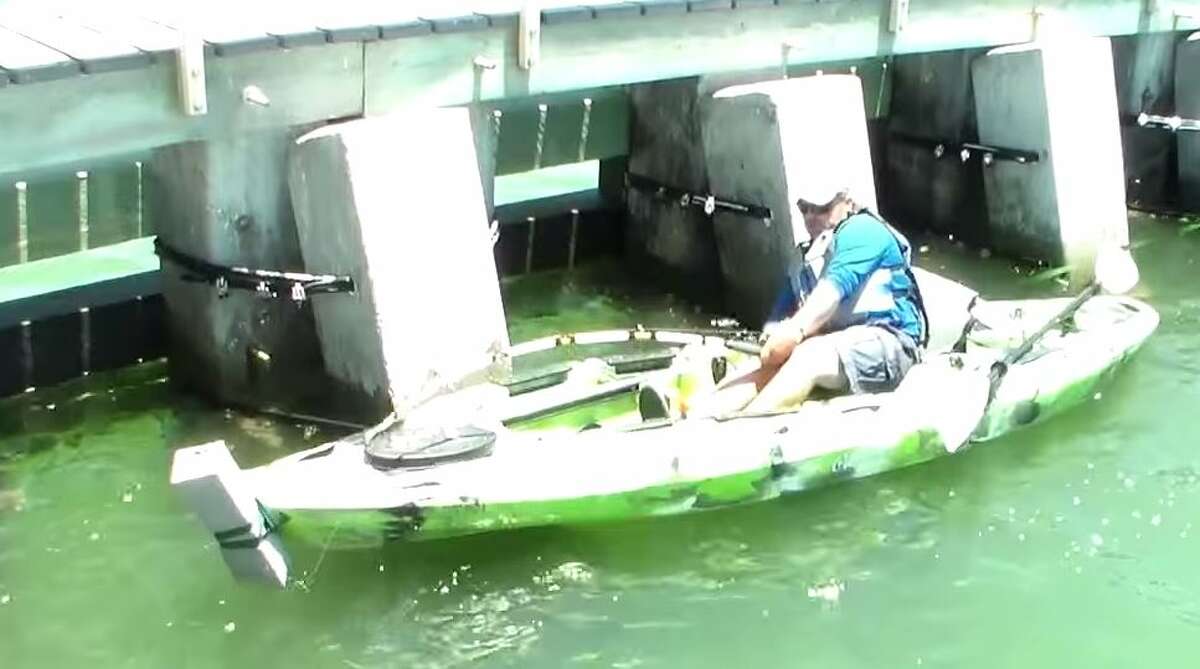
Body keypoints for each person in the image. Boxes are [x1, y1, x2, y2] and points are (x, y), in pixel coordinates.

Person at [639, 187, 927, 419]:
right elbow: (777, 324)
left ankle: (742, 433)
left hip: (894, 345)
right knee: (768, 362)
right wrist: (772, 340)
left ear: (847, 202)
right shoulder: (805, 258)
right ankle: (696, 415)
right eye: (805, 208)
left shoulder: (862, 231)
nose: (812, 216)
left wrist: (794, 332)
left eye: (822, 208)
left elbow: (831, 291)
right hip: (840, 349)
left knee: (808, 354)